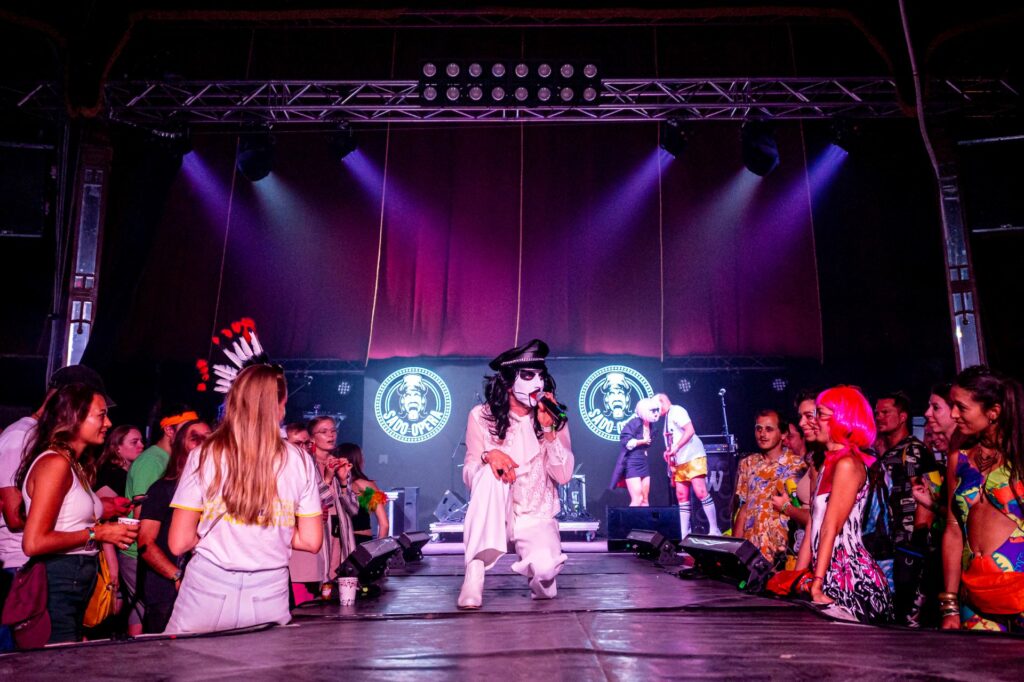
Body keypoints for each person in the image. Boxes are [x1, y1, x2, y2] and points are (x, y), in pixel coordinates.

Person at [165, 364, 322, 634]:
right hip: (269, 592)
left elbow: (179, 543)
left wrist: (228, 533)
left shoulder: (205, 454)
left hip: (207, 589)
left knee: (189, 671)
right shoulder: (300, 461)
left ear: (235, 399)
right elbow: (311, 540)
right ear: (280, 404)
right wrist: (271, 527)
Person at [17, 383, 138, 643]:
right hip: (59, 578)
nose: (108, 422)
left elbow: (69, 516)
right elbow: (34, 542)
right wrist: (99, 532)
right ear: (74, 418)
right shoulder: (55, 463)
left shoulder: (73, 464)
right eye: (101, 415)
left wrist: (106, 513)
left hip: (75, 578)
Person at [457, 339, 574, 609]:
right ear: (509, 381)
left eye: (541, 376)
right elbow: (469, 473)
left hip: (535, 515)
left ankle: (539, 575)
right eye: (528, 375)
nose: (537, 384)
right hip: (496, 515)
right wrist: (489, 456)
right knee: (489, 473)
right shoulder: (481, 416)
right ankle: (473, 575)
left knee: (545, 578)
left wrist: (549, 432)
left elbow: (564, 475)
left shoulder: (554, 419)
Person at [796, 386, 893, 625]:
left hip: (851, 579)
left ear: (841, 419)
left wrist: (817, 584)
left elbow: (831, 527)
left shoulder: (849, 464)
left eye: (820, 414)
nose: (812, 421)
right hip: (826, 574)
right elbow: (813, 526)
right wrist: (796, 577)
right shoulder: (823, 464)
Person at [941, 366, 1024, 632]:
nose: (953, 414)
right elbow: (953, 529)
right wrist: (950, 606)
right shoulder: (959, 456)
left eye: (961, 407)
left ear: (993, 412)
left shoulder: (1021, 456)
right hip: (974, 599)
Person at [120, 402, 197, 636]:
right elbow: (142, 518)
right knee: (148, 616)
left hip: (166, 555)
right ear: (170, 431)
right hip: (141, 553)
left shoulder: (170, 459)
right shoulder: (152, 461)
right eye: (187, 430)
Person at [136, 419, 210, 633]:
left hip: (205, 592)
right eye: (196, 438)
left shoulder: (218, 492)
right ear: (179, 447)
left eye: (209, 438)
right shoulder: (162, 489)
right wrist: (177, 576)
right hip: (166, 592)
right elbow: (145, 543)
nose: (205, 443)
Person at [872, 391, 938, 626]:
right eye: (876, 412)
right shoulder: (887, 452)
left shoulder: (912, 450)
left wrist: (917, 543)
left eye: (885, 412)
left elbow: (924, 493)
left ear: (902, 417)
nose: (879, 417)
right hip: (891, 542)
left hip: (910, 543)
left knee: (909, 616)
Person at [290, 429, 359, 605]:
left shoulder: (337, 464)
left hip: (338, 536)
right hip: (316, 537)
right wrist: (328, 478)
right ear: (313, 438)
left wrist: (343, 482)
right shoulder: (306, 466)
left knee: (334, 594)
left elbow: (353, 509)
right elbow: (318, 503)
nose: (331, 435)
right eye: (324, 431)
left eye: (334, 430)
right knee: (310, 599)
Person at [733, 410, 806, 561]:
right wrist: (735, 549)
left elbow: (806, 512)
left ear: (784, 434)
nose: (762, 434)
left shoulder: (798, 465)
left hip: (782, 553)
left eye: (769, 429)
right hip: (750, 552)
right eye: (758, 429)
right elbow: (744, 508)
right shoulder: (748, 464)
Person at [656, 393, 720, 538]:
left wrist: (676, 447)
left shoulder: (677, 410)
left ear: (662, 402)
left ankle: (714, 529)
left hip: (693, 456)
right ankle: (685, 533)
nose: (655, 413)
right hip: (680, 461)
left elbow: (690, 430)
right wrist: (669, 452)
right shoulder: (666, 418)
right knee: (681, 495)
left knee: (701, 492)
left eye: (656, 409)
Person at [609, 397, 661, 507]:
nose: (656, 413)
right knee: (637, 498)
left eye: (657, 410)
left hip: (643, 462)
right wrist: (642, 441)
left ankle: (644, 524)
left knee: (645, 499)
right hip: (632, 462)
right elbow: (626, 442)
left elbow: (648, 444)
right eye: (653, 411)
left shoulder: (653, 427)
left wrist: (645, 448)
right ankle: (630, 524)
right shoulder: (634, 423)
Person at [337, 442, 390, 543]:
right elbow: (384, 524)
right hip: (361, 541)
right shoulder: (366, 486)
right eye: (362, 457)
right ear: (356, 460)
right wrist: (379, 550)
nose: (364, 460)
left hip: (338, 542)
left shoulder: (333, 484)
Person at [94, 425, 145, 497]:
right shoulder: (111, 474)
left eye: (141, 441)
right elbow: (105, 506)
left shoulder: (132, 473)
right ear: (117, 448)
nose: (142, 445)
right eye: (134, 442)